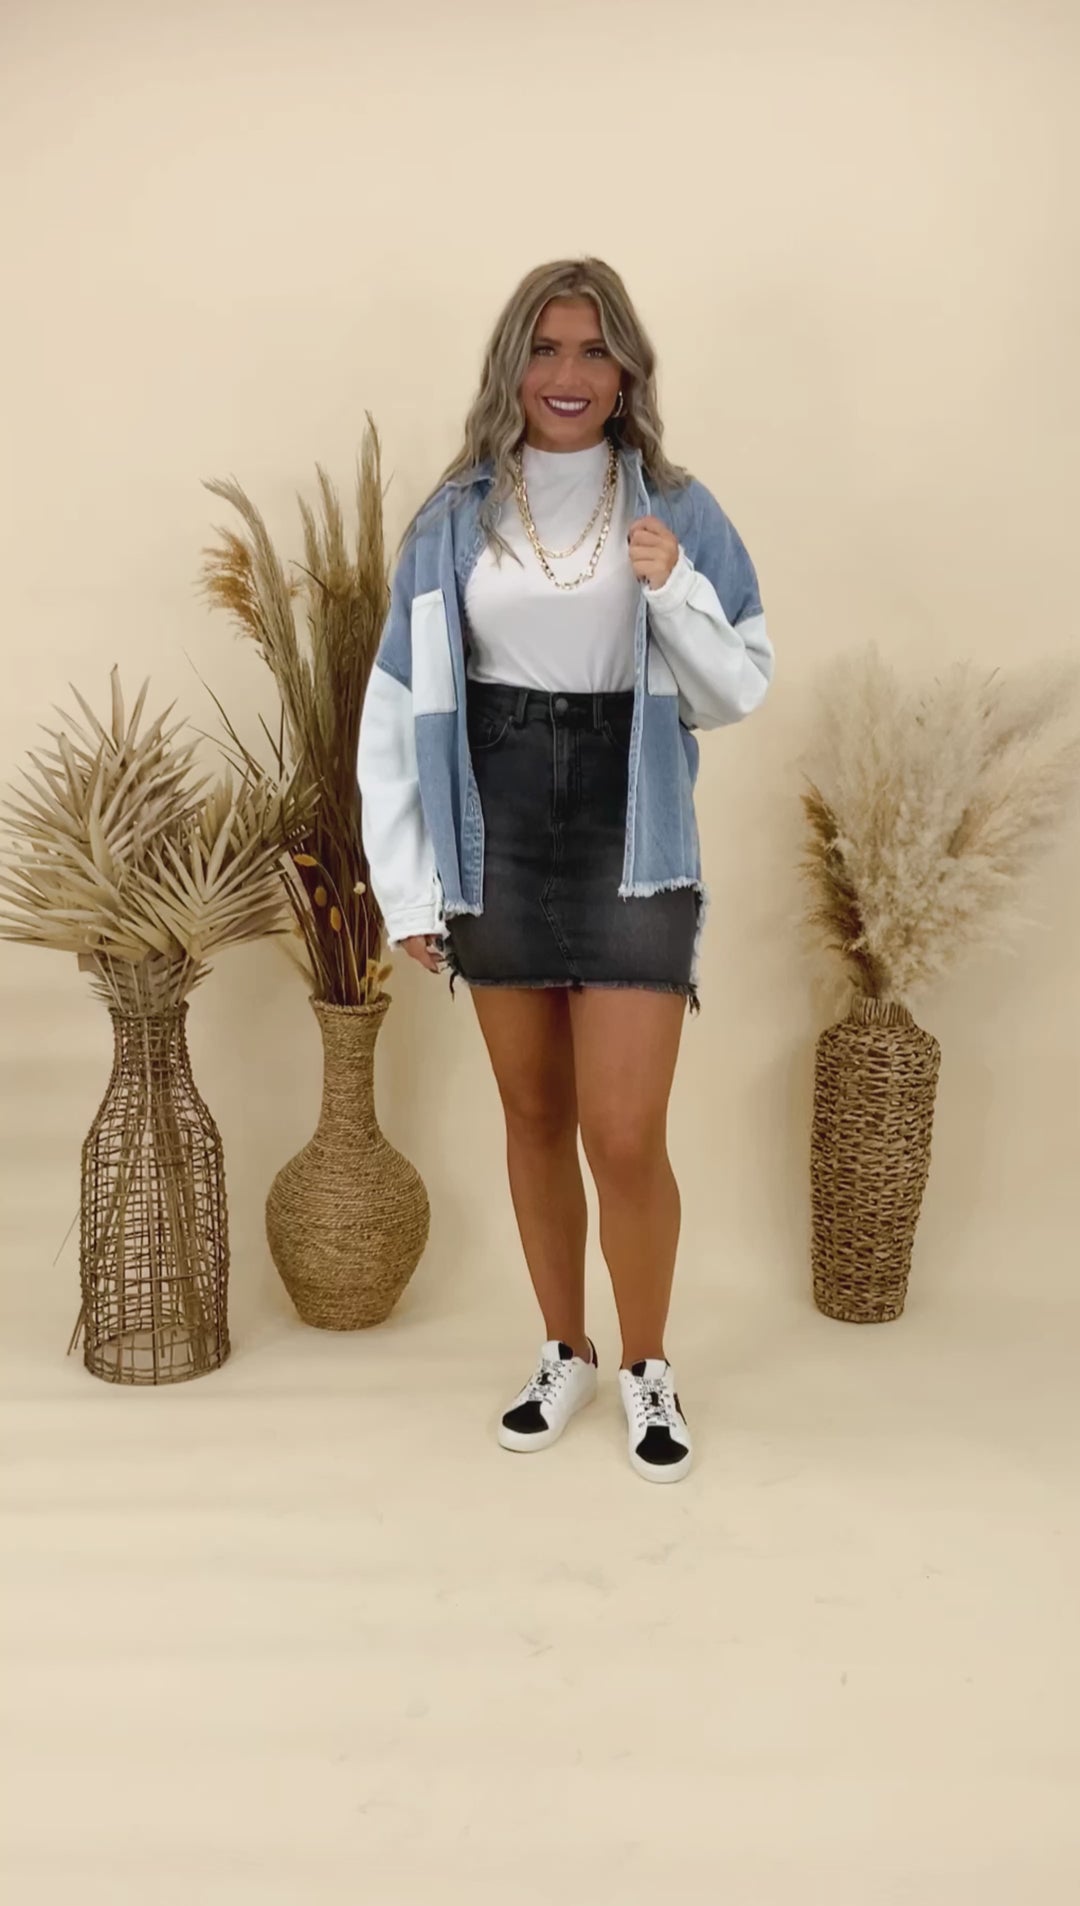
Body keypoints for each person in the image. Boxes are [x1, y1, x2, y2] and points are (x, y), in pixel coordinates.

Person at [357, 258, 773, 1483]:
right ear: (513, 368)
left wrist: (674, 588)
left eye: (595, 351)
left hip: (630, 830)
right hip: (493, 827)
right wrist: (409, 885)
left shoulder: (678, 510)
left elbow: (737, 687)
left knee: (624, 1132)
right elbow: (396, 715)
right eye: (546, 349)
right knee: (534, 1115)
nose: (570, 374)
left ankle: (648, 1366)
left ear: (627, 372)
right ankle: (565, 1349)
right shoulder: (455, 518)